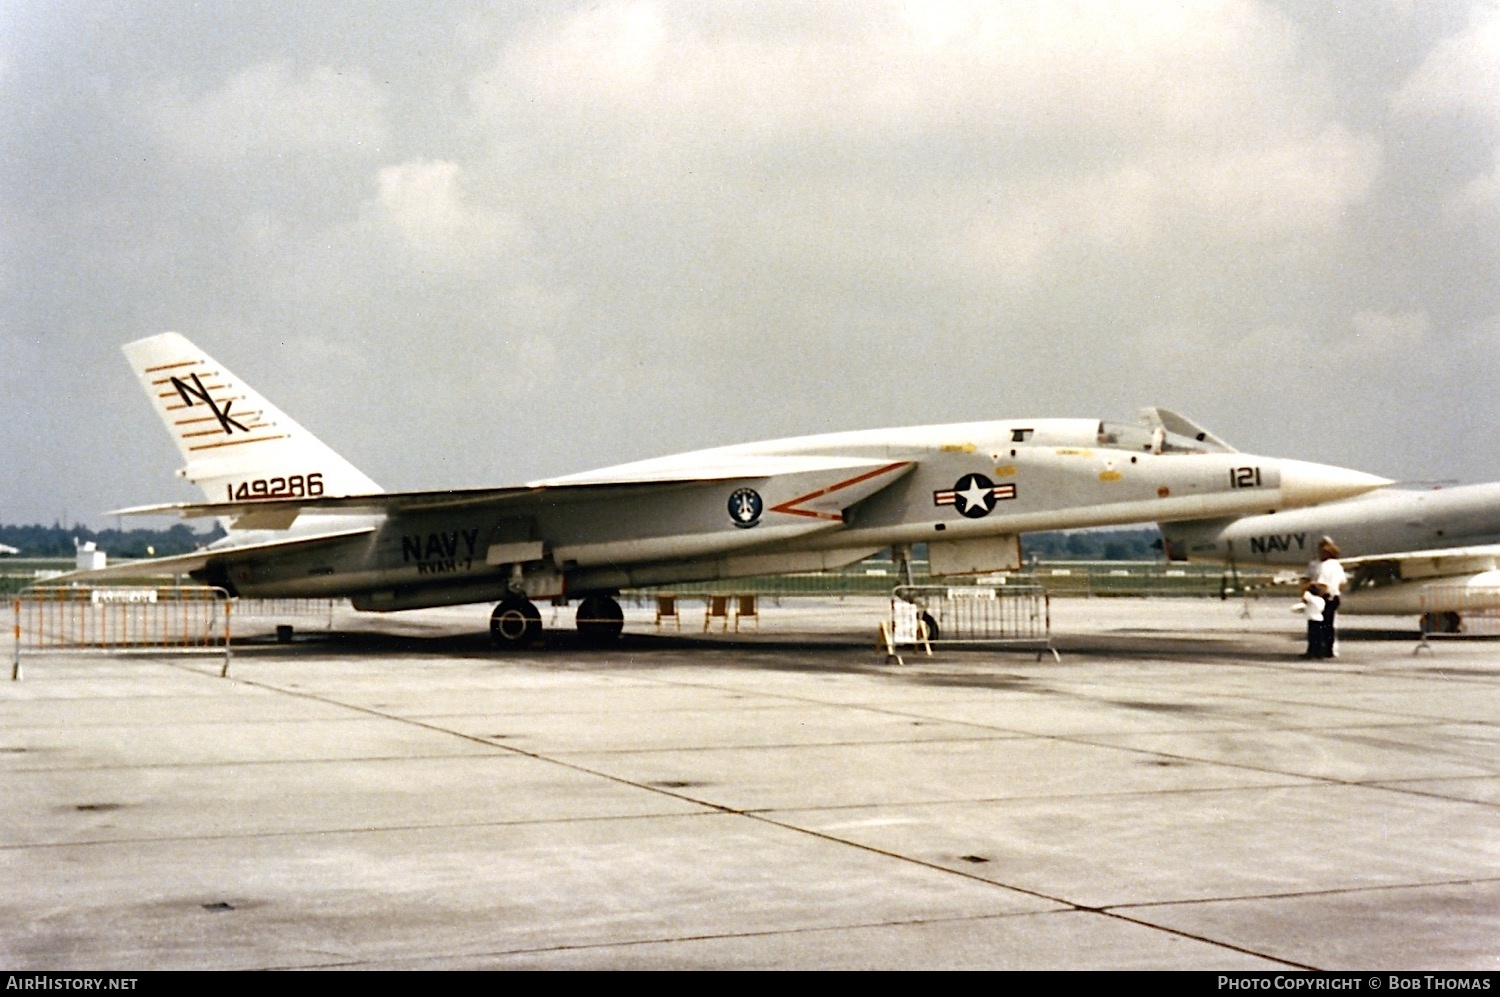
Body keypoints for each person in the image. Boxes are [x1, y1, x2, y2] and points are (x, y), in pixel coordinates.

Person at [1306, 537, 1347, 658]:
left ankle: (1315, 650)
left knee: (1316, 624)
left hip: (1322, 596)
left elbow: (1321, 584)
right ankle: (1328, 649)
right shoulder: (1337, 565)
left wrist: (1309, 590)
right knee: (1329, 625)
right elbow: (1343, 582)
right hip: (1334, 597)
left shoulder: (1324, 566)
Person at [1299, 583, 1326, 658]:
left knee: (1312, 637)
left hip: (1312, 619)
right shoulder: (1321, 600)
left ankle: (1311, 652)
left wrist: (1307, 586)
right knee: (1318, 637)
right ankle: (1318, 653)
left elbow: (1304, 594)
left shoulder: (1311, 598)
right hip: (1319, 619)